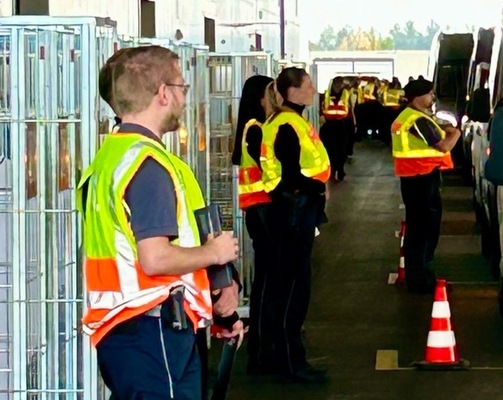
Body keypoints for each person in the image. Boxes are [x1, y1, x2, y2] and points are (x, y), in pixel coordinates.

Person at [79, 45, 243, 399]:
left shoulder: (108, 160)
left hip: (125, 331)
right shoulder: (149, 165)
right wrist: (215, 253)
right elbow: (155, 258)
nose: (185, 98)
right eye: (182, 87)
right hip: (154, 331)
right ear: (163, 93)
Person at [258, 67, 331, 383]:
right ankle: (291, 364)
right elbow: (290, 175)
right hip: (292, 214)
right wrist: (314, 188)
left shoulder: (289, 121)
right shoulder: (287, 124)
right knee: (292, 291)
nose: (313, 89)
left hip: (292, 212)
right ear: (292, 92)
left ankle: (283, 358)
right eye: (309, 85)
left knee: (286, 287)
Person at [230, 74, 283, 376]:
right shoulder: (257, 130)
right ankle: (261, 348)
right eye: (272, 92)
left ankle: (263, 346)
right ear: (260, 98)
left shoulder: (255, 128)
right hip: (263, 212)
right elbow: (271, 173)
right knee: (268, 281)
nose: (276, 98)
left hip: (260, 211)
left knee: (269, 278)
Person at [391, 78, 461, 294]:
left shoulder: (414, 117)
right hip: (421, 180)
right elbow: (442, 146)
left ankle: (420, 276)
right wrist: (456, 133)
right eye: (430, 94)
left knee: (420, 229)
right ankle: (421, 279)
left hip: (417, 178)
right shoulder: (416, 120)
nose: (432, 98)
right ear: (418, 97)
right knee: (423, 231)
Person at [319, 76, 352, 181]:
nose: (339, 85)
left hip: (342, 123)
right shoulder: (326, 93)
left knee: (342, 150)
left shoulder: (346, 93)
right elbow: (321, 106)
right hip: (328, 124)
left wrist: (352, 121)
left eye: (340, 83)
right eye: (337, 83)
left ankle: (340, 170)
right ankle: (332, 172)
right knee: (330, 150)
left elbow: (349, 107)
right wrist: (321, 116)